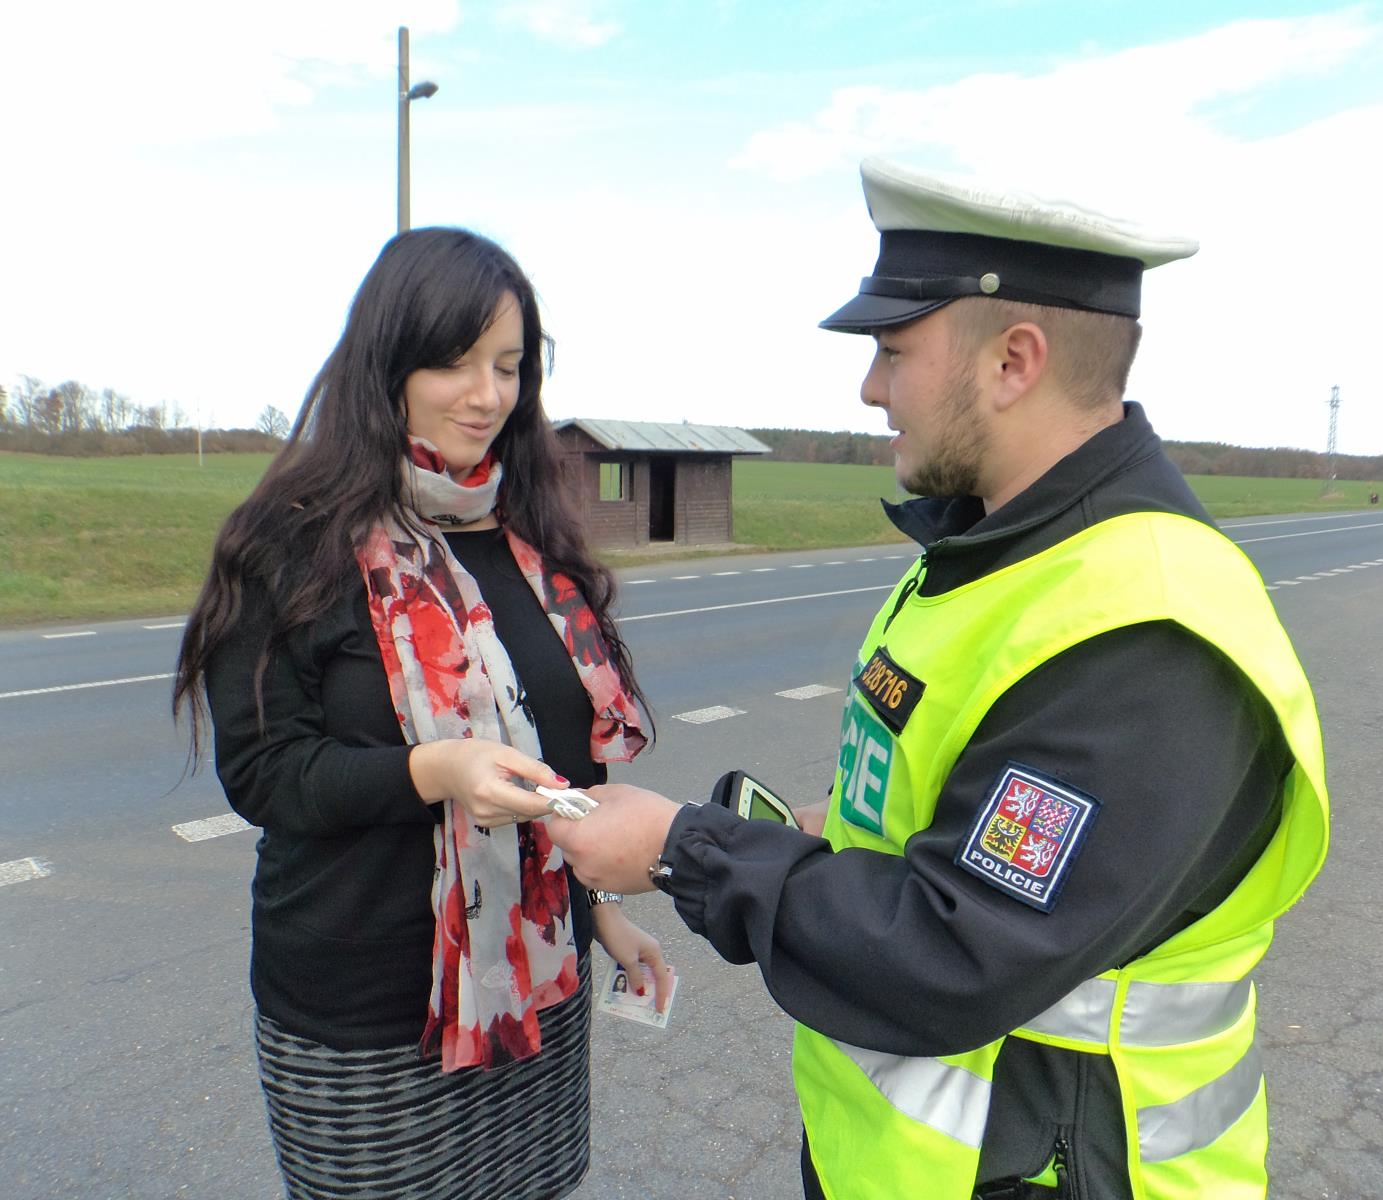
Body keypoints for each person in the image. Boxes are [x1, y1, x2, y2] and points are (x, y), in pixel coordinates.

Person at [548, 160, 1329, 1200]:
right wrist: (812, 825)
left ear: (1013, 361)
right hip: (920, 1160)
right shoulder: (992, 553)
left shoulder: (1143, 629)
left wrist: (677, 847)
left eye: (891, 350)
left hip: (1055, 1166)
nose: (869, 388)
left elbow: (954, 952)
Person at [173, 227, 673, 1200]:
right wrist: (435, 771)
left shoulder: (535, 544)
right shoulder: (289, 543)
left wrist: (599, 911)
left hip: (532, 983)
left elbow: (568, 771)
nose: (487, 395)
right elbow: (268, 774)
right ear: (388, 361)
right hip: (361, 1010)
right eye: (453, 360)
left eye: (509, 365)